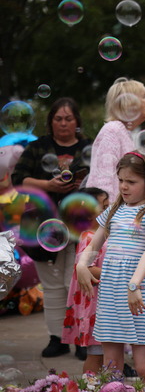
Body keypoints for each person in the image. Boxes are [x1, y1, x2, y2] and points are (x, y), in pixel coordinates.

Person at [76, 152, 145, 392]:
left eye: (131, 181)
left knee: (144, 367)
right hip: (111, 293)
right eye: (120, 180)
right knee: (111, 368)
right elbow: (93, 245)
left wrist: (135, 284)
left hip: (138, 294)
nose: (123, 187)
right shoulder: (114, 210)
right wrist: (82, 264)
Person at [12, 97, 91, 358]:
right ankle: (57, 338)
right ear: (51, 122)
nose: (63, 123)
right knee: (53, 284)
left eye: (68, 118)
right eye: (58, 118)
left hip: (80, 223)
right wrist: (49, 186)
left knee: (78, 281)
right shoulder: (38, 147)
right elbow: (17, 178)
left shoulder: (89, 147)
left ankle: (81, 338)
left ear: (77, 121)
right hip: (43, 224)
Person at [61, 187, 110, 370]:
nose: (109, 210)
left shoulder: (103, 235)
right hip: (95, 308)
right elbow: (87, 268)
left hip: (103, 304)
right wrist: (119, 272)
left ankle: (105, 391)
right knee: (96, 356)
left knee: (106, 355)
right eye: (103, 206)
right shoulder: (89, 238)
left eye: (108, 205)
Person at [84, 77, 145, 203]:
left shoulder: (124, 133)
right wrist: (108, 215)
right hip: (110, 216)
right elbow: (103, 179)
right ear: (130, 102)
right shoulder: (113, 130)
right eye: (144, 97)